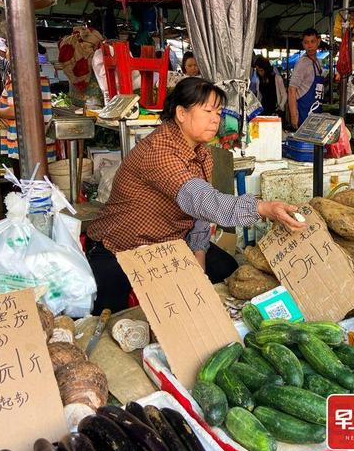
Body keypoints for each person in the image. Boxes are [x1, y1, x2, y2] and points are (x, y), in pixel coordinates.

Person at [86, 77, 306, 314]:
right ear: (181, 113)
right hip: (122, 248)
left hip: (170, 244)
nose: (216, 119)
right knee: (114, 315)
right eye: (208, 110)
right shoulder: (159, 151)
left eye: (219, 112)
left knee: (226, 268)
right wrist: (262, 207)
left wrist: (199, 253)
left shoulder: (202, 153)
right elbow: (202, 200)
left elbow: (199, 213)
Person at [0, 44, 56, 166]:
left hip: (27, 144)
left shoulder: (23, 79)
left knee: (30, 180)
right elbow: (15, 101)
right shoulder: (36, 77)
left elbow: (17, 111)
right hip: (35, 142)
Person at [288, 28, 324, 129]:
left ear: (318, 41)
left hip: (316, 112)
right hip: (304, 113)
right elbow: (291, 90)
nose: (310, 46)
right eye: (306, 42)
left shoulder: (317, 62)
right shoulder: (302, 63)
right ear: (303, 44)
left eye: (312, 41)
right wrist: (294, 115)